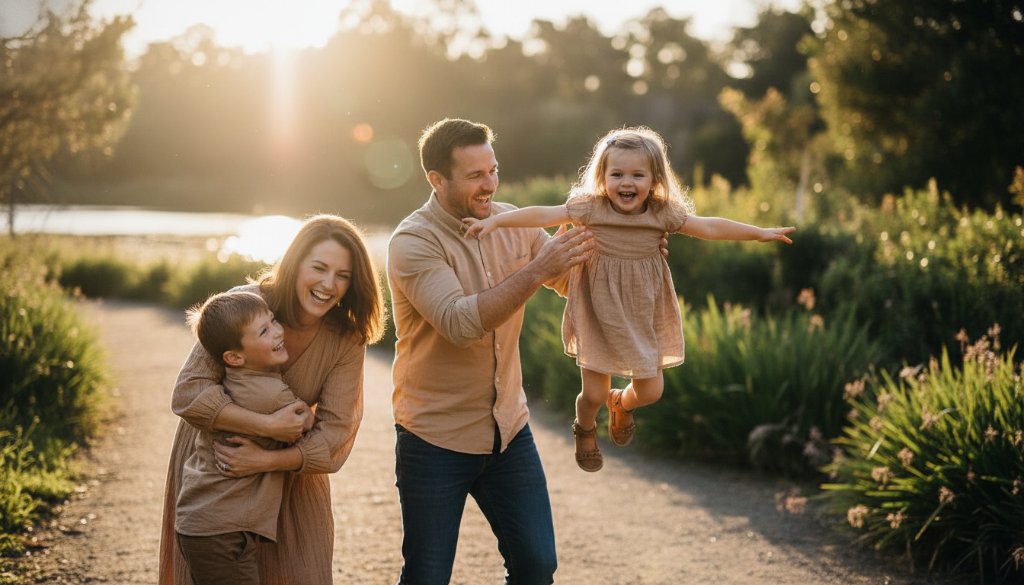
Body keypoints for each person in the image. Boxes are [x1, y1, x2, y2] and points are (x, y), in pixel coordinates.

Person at [463, 126, 795, 472]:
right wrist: (496, 223)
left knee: (650, 391)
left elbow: (709, 227)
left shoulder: (661, 213)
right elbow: (545, 214)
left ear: (654, 179)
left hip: (642, 313)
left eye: (638, 175)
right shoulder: (591, 208)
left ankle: (621, 403)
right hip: (596, 310)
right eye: (617, 174)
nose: (626, 182)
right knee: (592, 395)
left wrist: (759, 233)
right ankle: (585, 427)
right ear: (602, 177)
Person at [386, 118, 595, 584]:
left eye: (493, 170)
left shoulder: (513, 221)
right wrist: (538, 269)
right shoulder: (412, 242)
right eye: (476, 176)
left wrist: (627, 244)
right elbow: (461, 324)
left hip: (509, 430)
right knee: (426, 577)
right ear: (436, 180)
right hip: (434, 438)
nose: (490, 184)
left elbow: (567, 278)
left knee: (537, 566)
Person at [158, 214, 386, 585]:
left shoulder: (347, 338)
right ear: (295, 264)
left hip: (289, 475)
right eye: (319, 268)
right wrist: (266, 426)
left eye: (343, 275)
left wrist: (266, 459)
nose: (329, 284)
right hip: (219, 467)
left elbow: (334, 437)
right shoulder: (244, 305)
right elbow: (189, 393)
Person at [175, 290, 312, 584]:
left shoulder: (234, 382)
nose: (278, 332)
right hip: (222, 529)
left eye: (273, 321)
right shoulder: (272, 394)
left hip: (206, 522)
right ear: (235, 357)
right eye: (264, 331)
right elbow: (302, 422)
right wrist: (309, 415)